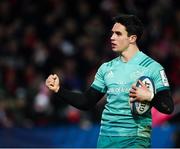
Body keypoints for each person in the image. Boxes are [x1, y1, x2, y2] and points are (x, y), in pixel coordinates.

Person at [45, 14, 174, 148]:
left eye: (118, 34)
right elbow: (86, 101)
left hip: (135, 140)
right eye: (112, 33)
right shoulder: (106, 68)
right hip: (106, 140)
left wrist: (149, 96)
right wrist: (58, 90)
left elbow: (168, 107)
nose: (112, 37)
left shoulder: (152, 68)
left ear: (132, 38)